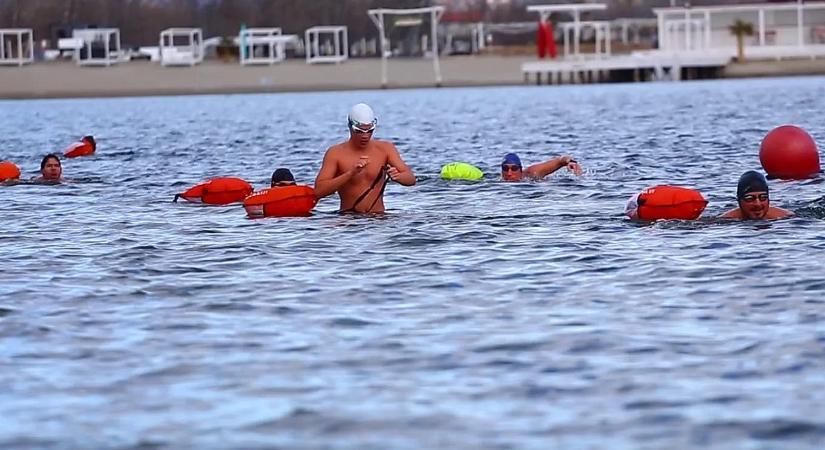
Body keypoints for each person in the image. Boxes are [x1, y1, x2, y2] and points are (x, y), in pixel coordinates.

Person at [314, 103, 415, 213]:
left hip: (379, 219)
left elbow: (411, 179)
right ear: (350, 127)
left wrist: (399, 177)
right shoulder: (335, 153)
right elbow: (319, 191)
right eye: (359, 131)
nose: (365, 136)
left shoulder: (385, 149)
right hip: (349, 220)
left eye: (370, 131)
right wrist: (350, 174)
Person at [720, 170, 793, 220]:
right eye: (750, 198)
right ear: (739, 200)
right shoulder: (726, 220)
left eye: (763, 197)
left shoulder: (786, 217)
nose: (757, 204)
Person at [500, 152, 582, 182]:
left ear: (520, 170)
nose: (509, 173)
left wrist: (570, 162)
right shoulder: (497, 182)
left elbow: (560, 160)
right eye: (505, 169)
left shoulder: (532, 173)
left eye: (514, 168)